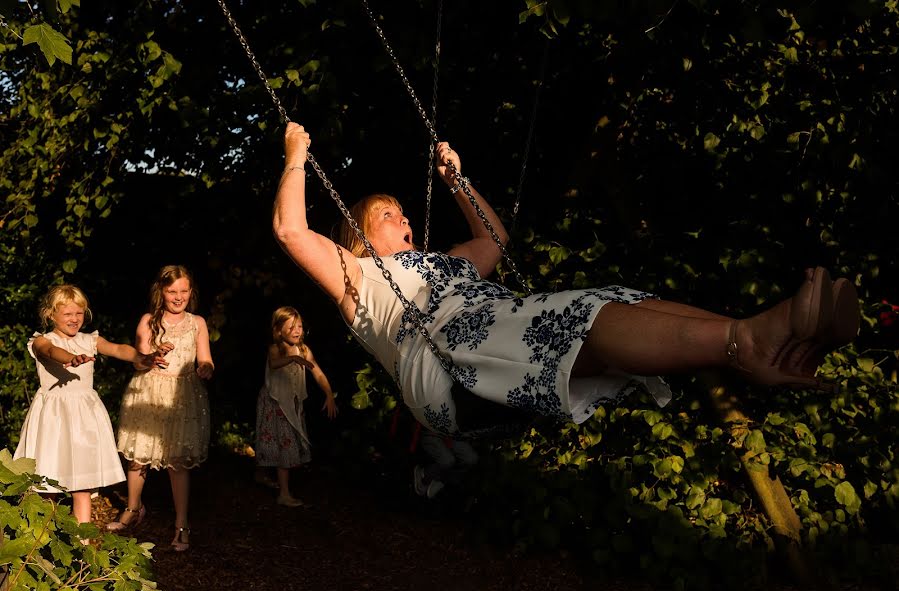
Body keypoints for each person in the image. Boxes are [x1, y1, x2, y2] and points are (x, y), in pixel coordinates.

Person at [272, 123, 859, 436]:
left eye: (401, 209)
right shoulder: (358, 276)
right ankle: (750, 341)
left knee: (611, 301)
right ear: (359, 238)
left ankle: (749, 342)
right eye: (385, 214)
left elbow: (494, 241)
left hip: (494, 325)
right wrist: (296, 155)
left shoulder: (444, 262)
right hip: (445, 362)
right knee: (568, 320)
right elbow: (291, 231)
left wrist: (458, 182)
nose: (401, 217)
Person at [14, 285, 169, 532]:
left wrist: (142, 357)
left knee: (81, 485)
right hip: (53, 419)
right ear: (51, 314)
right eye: (67, 314)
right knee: (46, 485)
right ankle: (41, 542)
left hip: (83, 420)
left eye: (79, 313)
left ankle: (82, 547)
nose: (74, 319)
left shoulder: (90, 340)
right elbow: (50, 351)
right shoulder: (43, 340)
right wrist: (70, 358)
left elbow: (118, 348)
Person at [107, 265, 214, 552]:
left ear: (191, 292)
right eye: (172, 291)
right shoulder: (149, 320)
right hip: (149, 392)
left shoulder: (197, 323)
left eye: (183, 291)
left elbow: (205, 358)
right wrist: (154, 355)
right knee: (139, 456)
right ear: (161, 292)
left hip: (182, 394)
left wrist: (205, 368)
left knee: (177, 462)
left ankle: (181, 523)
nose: (178, 297)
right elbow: (138, 360)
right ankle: (132, 508)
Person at [253, 306, 337, 507]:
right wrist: (291, 358)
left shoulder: (305, 350)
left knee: (284, 444)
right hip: (275, 403)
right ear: (278, 330)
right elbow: (274, 364)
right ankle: (283, 492)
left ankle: (267, 478)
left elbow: (317, 372)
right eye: (291, 327)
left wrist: (328, 394)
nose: (297, 331)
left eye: (299, 326)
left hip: (292, 404)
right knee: (279, 444)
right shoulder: (276, 349)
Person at [413, 428, 478, 499]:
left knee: (472, 458)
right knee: (448, 460)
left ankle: (442, 478)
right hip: (431, 430)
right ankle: (424, 475)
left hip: (452, 434)